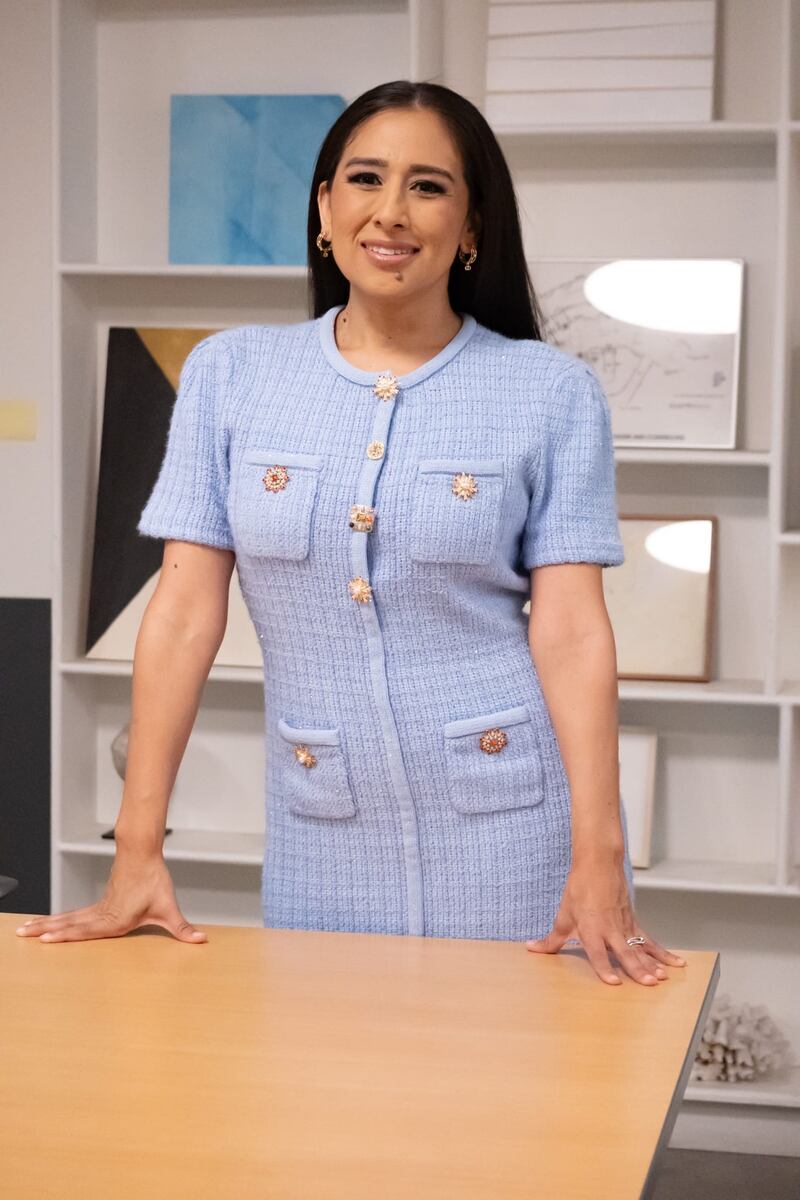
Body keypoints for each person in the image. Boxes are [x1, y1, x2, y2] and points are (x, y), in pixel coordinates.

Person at [18, 80, 685, 988]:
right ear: (325, 209)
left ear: (473, 222)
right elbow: (179, 617)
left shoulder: (549, 391)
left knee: (521, 1112)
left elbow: (570, 631)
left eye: (428, 185)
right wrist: (138, 847)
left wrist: (600, 856)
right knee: (325, 1106)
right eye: (365, 178)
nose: (391, 211)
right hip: (320, 829)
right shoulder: (231, 375)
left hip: (515, 833)